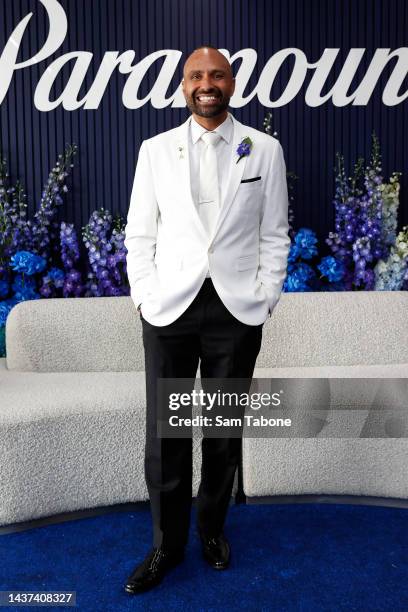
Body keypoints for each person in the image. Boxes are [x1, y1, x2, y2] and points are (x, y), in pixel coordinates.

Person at [123, 45, 290, 594]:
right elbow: (140, 234)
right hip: (170, 309)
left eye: (216, 74)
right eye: (196, 75)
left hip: (236, 311)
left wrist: (266, 296)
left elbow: (273, 233)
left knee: (221, 432)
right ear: (183, 86)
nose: (206, 83)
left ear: (232, 83)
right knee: (166, 434)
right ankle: (166, 545)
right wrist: (145, 298)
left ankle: (212, 529)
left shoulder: (264, 150)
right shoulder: (154, 150)